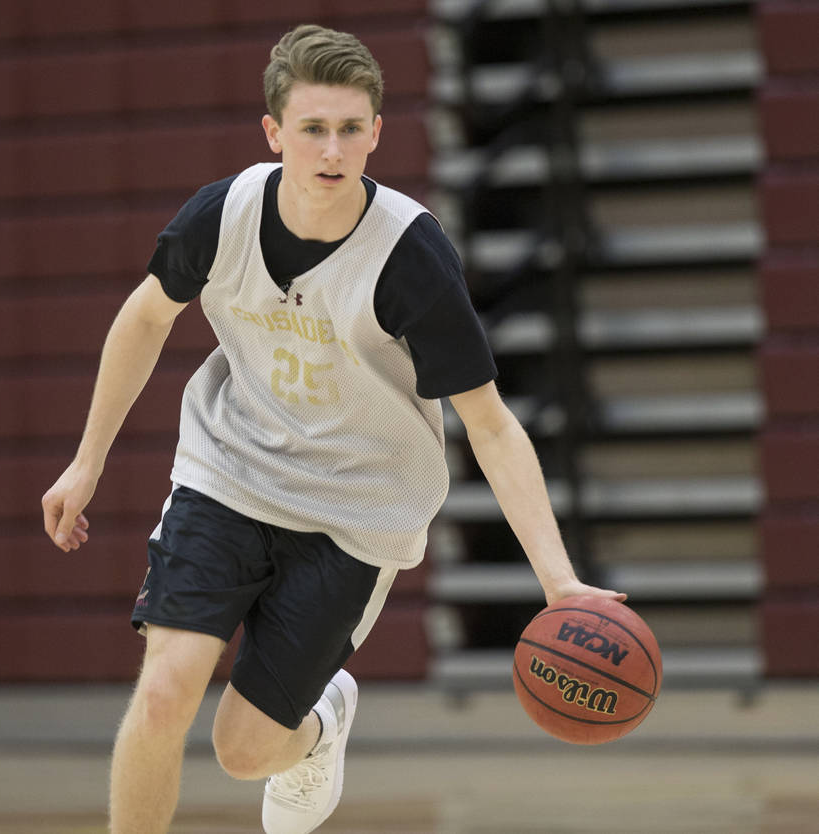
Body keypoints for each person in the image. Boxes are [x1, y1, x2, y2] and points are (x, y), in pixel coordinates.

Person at [41, 23, 626, 834]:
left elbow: (489, 425)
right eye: (312, 127)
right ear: (274, 132)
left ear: (377, 133)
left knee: (244, 752)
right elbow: (145, 318)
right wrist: (86, 462)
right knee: (166, 690)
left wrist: (559, 582)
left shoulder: (411, 256)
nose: (332, 148)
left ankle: (321, 726)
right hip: (232, 472)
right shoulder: (224, 214)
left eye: (352, 128)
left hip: (354, 513)